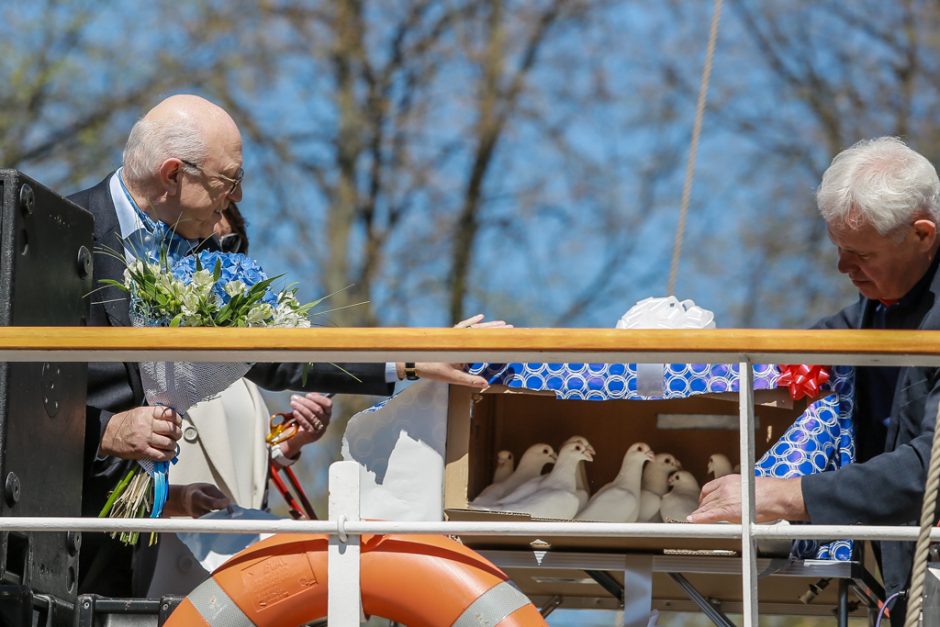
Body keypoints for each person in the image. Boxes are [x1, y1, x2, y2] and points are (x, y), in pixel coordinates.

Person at [69, 93, 507, 597]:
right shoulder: (50, 236)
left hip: (126, 559)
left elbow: (278, 353)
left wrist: (411, 358)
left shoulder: (205, 254)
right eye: (228, 181)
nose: (233, 201)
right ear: (173, 175)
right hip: (32, 538)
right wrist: (104, 431)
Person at [689, 136, 940, 623]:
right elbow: (810, 349)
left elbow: (928, 469)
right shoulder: (884, 304)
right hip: (908, 581)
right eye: (839, 248)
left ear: (923, 234)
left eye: (860, 254)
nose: (843, 267)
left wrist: (786, 494)